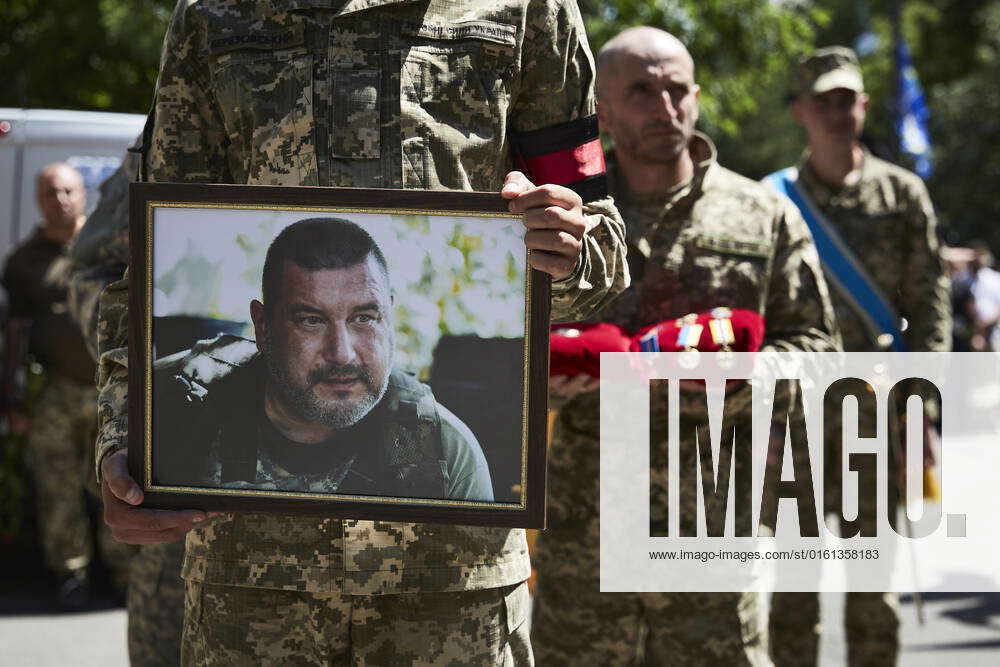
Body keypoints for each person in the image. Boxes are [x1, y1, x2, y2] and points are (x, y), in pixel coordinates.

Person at [96, 0, 629, 663]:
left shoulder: (530, 9)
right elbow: (148, 257)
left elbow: (602, 241)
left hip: (448, 586)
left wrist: (570, 250)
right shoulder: (212, 14)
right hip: (255, 580)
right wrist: (125, 439)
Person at [530, 27, 840, 665]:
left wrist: (733, 374)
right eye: (641, 91)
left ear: (696, 99)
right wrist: (551, 376)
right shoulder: (568, 222)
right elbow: (507, 345)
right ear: (603, 111)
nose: (664, 107)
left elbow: (819, 351)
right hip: (586, 524)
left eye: (676, 90)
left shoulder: (763, 215)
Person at [766, 46, 951, 667]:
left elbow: (930, 309)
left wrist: (919, 408)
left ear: (865, 106)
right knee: (794, 594)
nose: (839, 112)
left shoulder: (902, 195)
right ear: (800, 111)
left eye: (848, 99)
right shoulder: (774, 202)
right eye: (825, 101)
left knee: (873, 593)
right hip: (796, 426)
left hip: (880, 423)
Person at [153, 217, 494, 500]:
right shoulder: (183, 397)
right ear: (263, 327)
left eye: (363, 318)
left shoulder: (442, 449)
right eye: (311, 320)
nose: (341, 353)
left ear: (388, 317)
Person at [67, 147, 186, 666]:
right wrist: (141, 380)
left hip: (423, 565)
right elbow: (96, 269)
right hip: (197, 528)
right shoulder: (192, 86)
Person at [1, 163, 133, 609]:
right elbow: (15, 332)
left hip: (110, 390)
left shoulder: (106, 249)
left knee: (118, 482)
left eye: (67, 191)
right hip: (56, 392)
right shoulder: (23, 261)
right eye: (49, 192)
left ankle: (124, 572)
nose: (59, 199)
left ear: (83, 195)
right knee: (56, 486)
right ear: (38, 201)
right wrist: (13, 399)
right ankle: (70, 573)